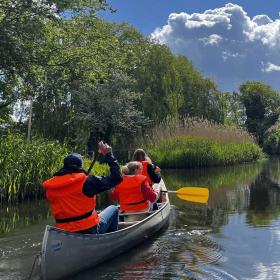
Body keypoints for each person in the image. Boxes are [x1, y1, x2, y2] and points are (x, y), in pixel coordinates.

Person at [42, 142, 123, 234]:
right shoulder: (87, 182)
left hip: (64, 232)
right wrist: (109, 155)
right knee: (114, 209)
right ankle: (109, 240)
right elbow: (117, 178)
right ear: (80, 166)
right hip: (89, 229)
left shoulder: (50, 187)